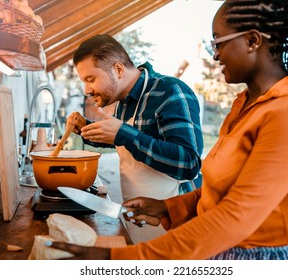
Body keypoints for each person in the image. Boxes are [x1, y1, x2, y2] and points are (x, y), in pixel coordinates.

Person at [48, 0, 288, 259]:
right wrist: (168, 209)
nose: (214, 55)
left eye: (218, 43)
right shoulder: (245, 106)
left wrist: (122, 259)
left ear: (252, 41)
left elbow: (234, 215)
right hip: (216, 246)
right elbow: (220, 190)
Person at [65, 34, 203, 243]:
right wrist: (86, 128)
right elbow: (124, 140)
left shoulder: (170, 92)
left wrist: (124, 134)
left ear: (118, 70)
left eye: (90, 79)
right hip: (139, 218)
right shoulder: (123, 100)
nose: (86, 90)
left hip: (175, 224)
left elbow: (189, 163)